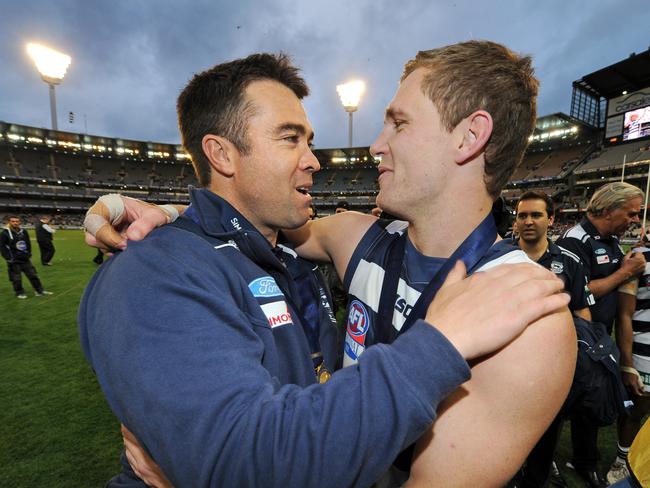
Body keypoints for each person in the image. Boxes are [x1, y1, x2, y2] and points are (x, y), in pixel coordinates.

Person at [84, 42, 575, 487]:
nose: (375, 144)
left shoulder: (526, 320)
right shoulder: (356, 237)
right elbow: (243, 221)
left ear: (470, 137)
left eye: (399, 123)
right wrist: (171, 213)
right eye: (290, 138)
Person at [556, 182, 646, 487]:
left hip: (599, 336)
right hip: (574, 337)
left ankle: (585, 461)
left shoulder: (610, 241)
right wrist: (625, 273)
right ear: (608, 210)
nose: (635, 220)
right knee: (564, 401)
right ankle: (544, 462)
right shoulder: (575, 240)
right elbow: (577, 292)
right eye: (631, 213)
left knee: (591, 400)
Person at [510, 191, 595, 487]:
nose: (529, 221)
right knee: (504, 430)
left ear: (551, 219)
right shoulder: (500, 256)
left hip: (550, 368)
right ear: (516, 220)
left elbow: (582, 311)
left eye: (536, 215)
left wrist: (580, 357)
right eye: (522, 215)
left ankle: (536, 477)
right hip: (506, 365)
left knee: (545, 435)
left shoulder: (569, 262)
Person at [606, 243, 650, 484]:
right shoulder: (639, 259)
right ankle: (622, 461)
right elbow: (624, 314)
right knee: (638, 409)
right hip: (645, 353)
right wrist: (628, 362)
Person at [1, 216, 52, 298]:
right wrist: (8, 258)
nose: (15, 223)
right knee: (16, 278)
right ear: (9, 222)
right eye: (13, 221)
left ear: (19, 222)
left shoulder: (24, 231)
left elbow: (28, 243)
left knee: (33, 275)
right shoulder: (5, 233)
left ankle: (39, 291)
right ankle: (19, 293)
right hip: (13, 259)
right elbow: (2, 247)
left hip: (25, 258)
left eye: (17, 221)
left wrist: (29, 254)